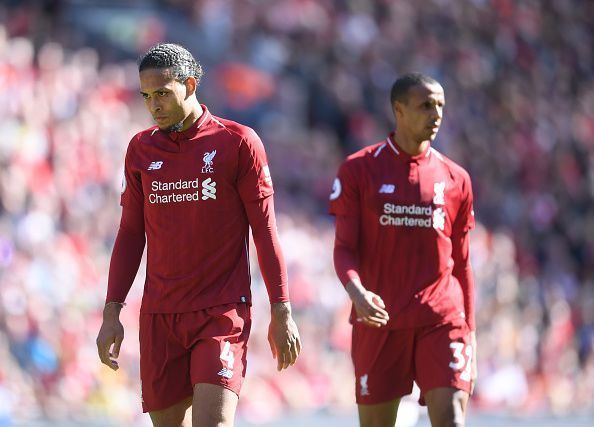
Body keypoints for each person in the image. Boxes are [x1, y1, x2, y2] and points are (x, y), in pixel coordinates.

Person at [96, 43, 301, 427]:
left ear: (189, 85)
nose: (153, 105)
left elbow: (265, 229)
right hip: (160, 315)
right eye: (146, 96)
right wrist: (112, 313)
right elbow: (129, 234)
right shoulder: (140, 150)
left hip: (220, 311)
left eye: (162, 94)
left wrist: (281, 309)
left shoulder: (237, 142)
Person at [329, 73, 477, 427]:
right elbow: (344, 249)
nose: (436, 113)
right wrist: (357, 293)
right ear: (399, 109)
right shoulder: (359, 170)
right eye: (426, 105)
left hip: (441, 319)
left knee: (451, 419)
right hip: (380, 319)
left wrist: (470, 329)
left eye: (440, 105)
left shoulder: (457, 179)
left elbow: (463, 264)